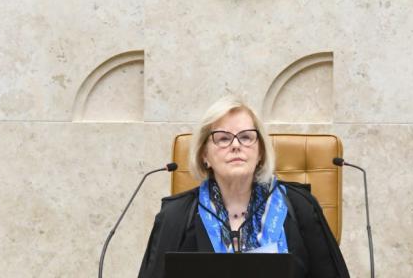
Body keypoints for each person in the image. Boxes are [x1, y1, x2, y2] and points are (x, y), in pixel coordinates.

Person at [138, 95, 350, 278]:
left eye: (246, 137)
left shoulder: (300, 207)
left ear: (260, 153)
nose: (236, 145)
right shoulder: (175, 217)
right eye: (222, 139)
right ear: (204, 156)